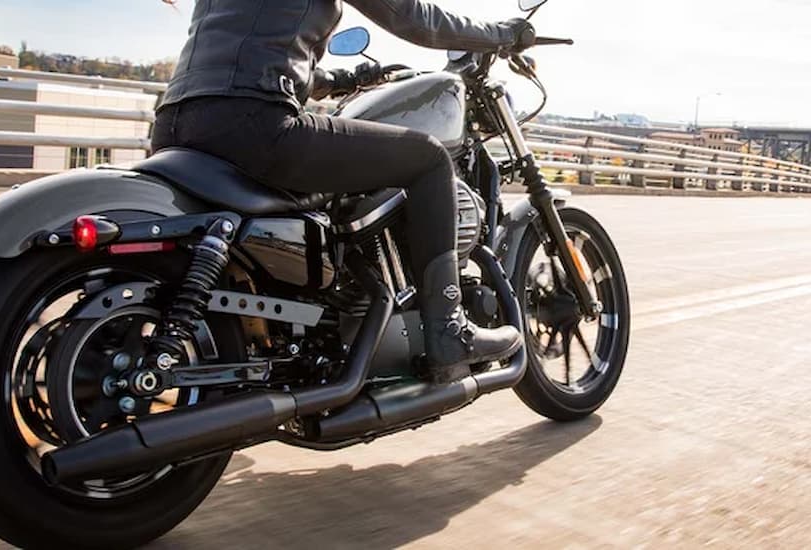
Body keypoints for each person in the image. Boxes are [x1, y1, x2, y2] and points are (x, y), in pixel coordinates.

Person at [151, 0, 535, 384]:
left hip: (174, 125)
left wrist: (342, 79)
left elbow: (250, 53)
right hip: (255, 125)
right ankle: (449, 333)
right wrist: (503, 35)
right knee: (430, 159)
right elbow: (413, 18)